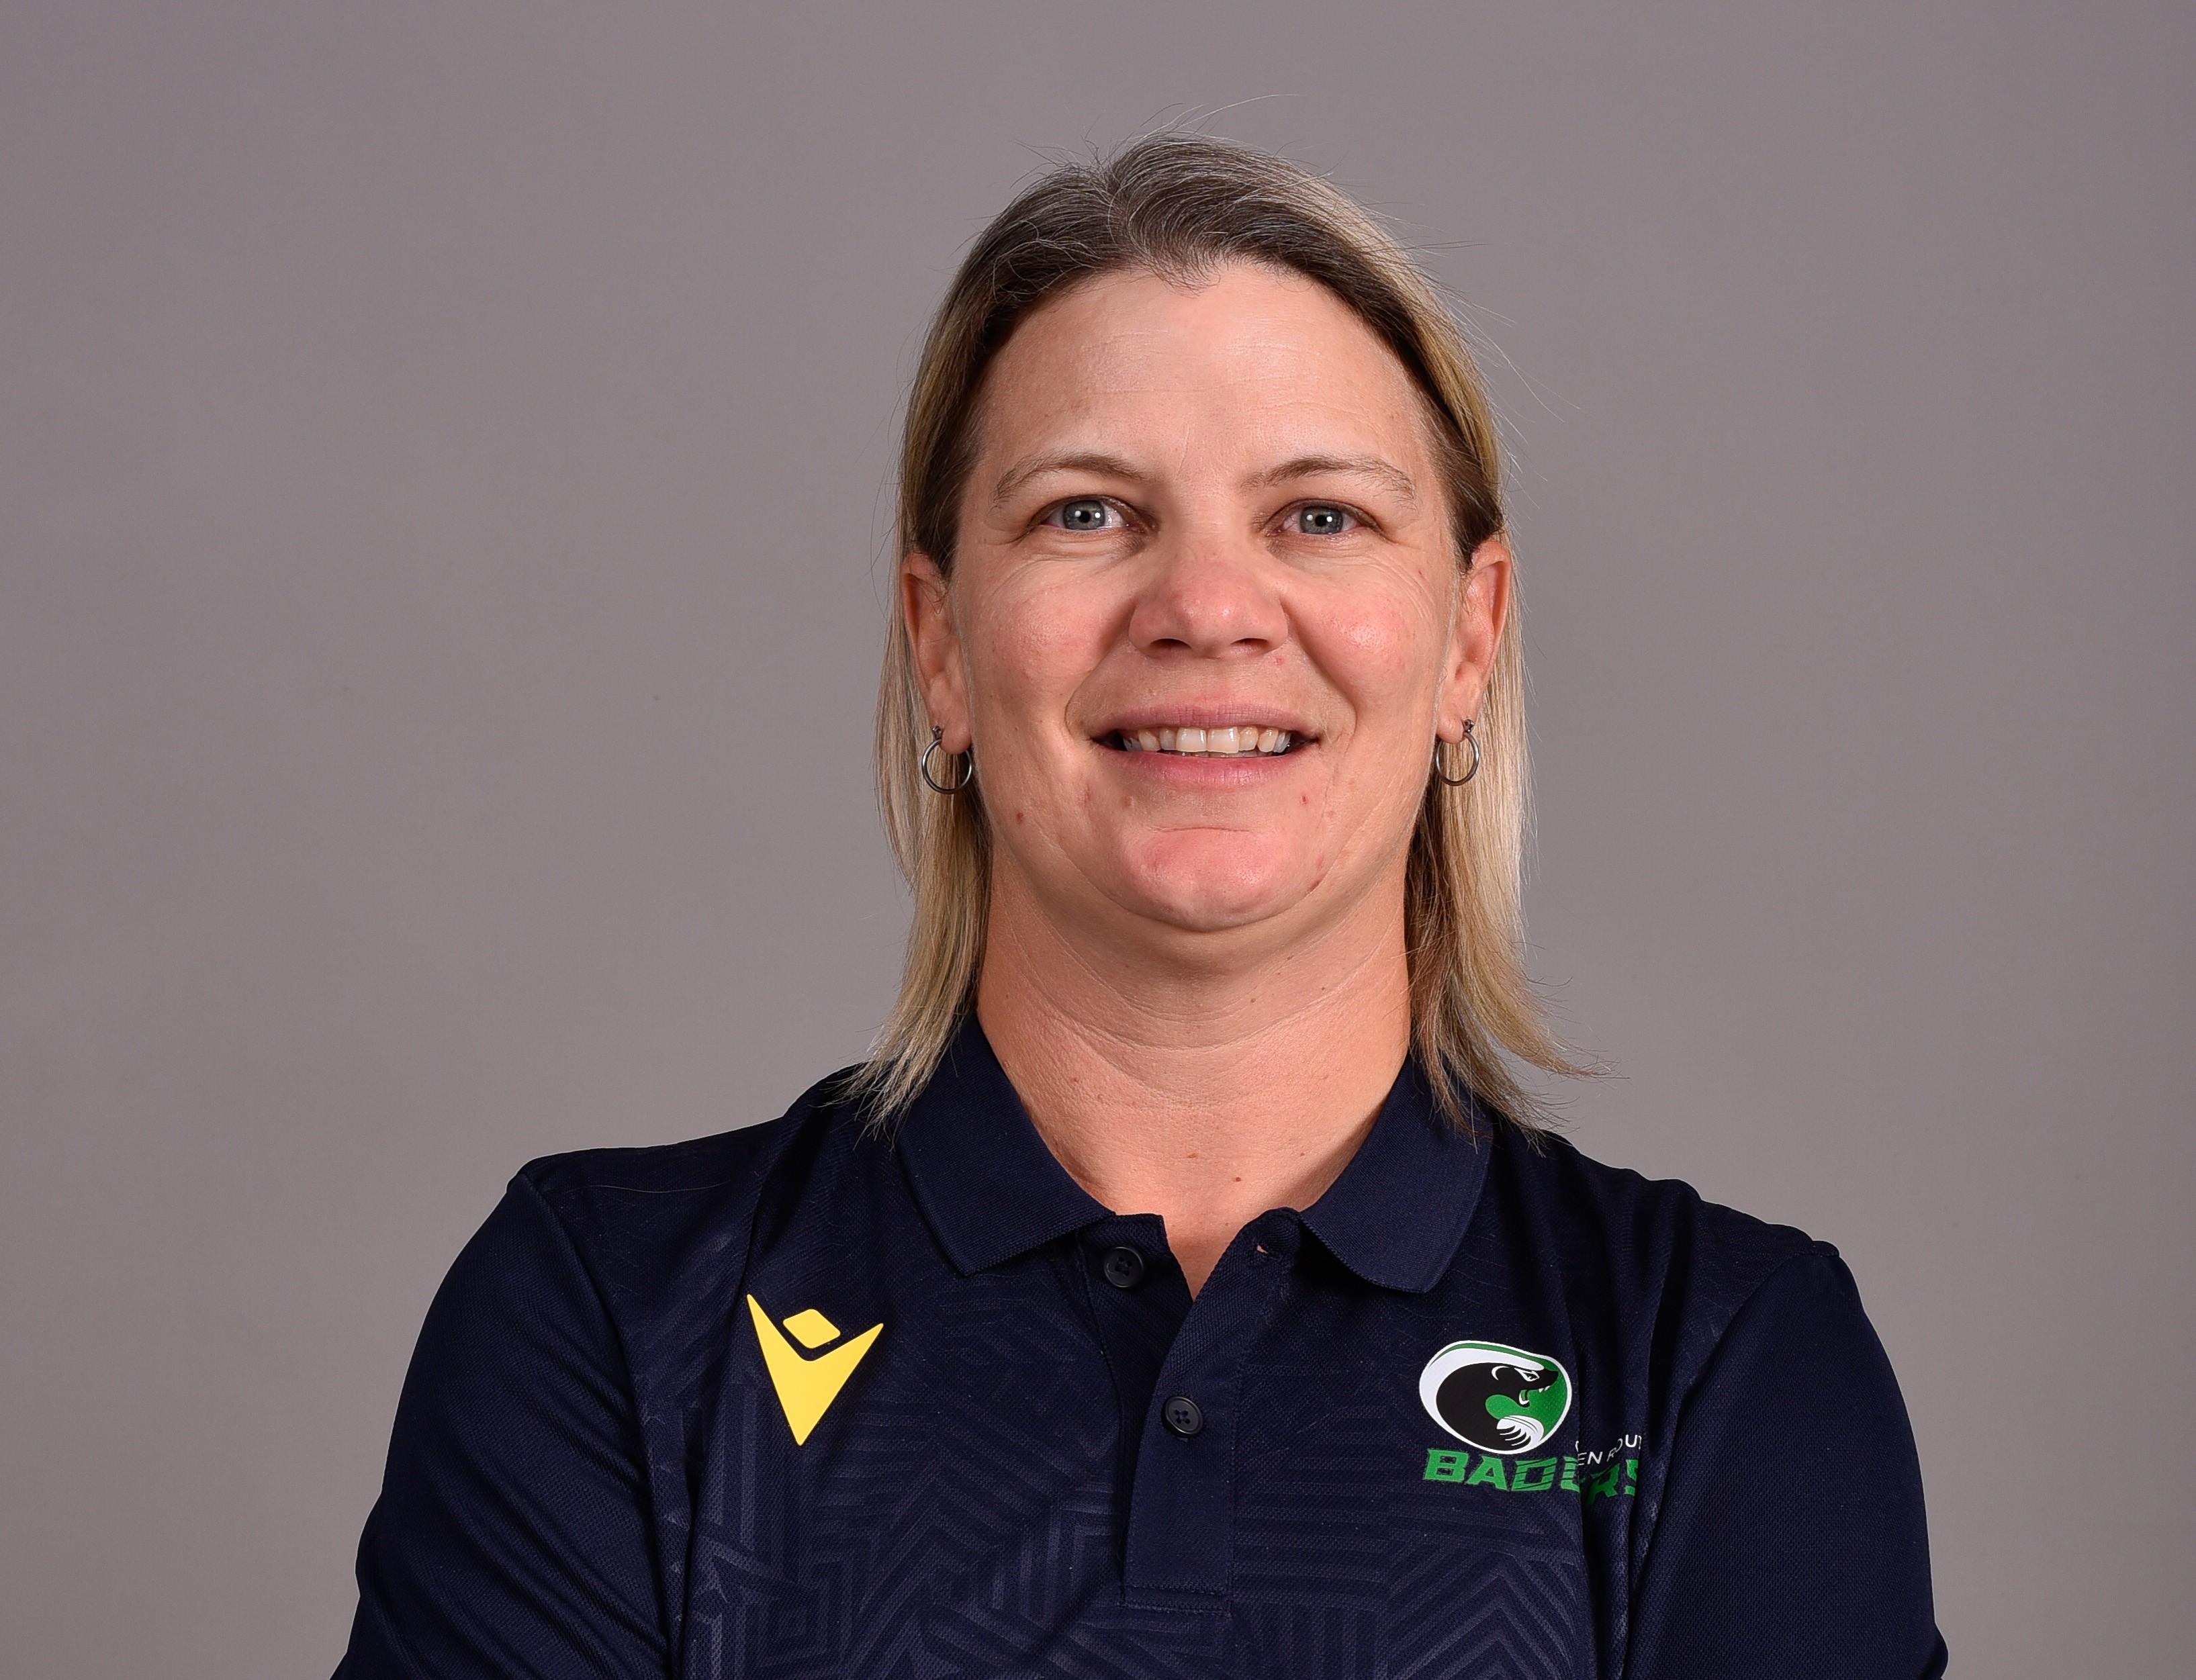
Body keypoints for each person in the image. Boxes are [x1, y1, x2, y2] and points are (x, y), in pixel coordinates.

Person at [334, 134, 1946, 1679]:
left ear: (1470, 640)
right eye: (1088, 513)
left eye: (1320, 515)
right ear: (942, 644)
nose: (1207, 608)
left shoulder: (1713, 1357)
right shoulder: (613, 1320)